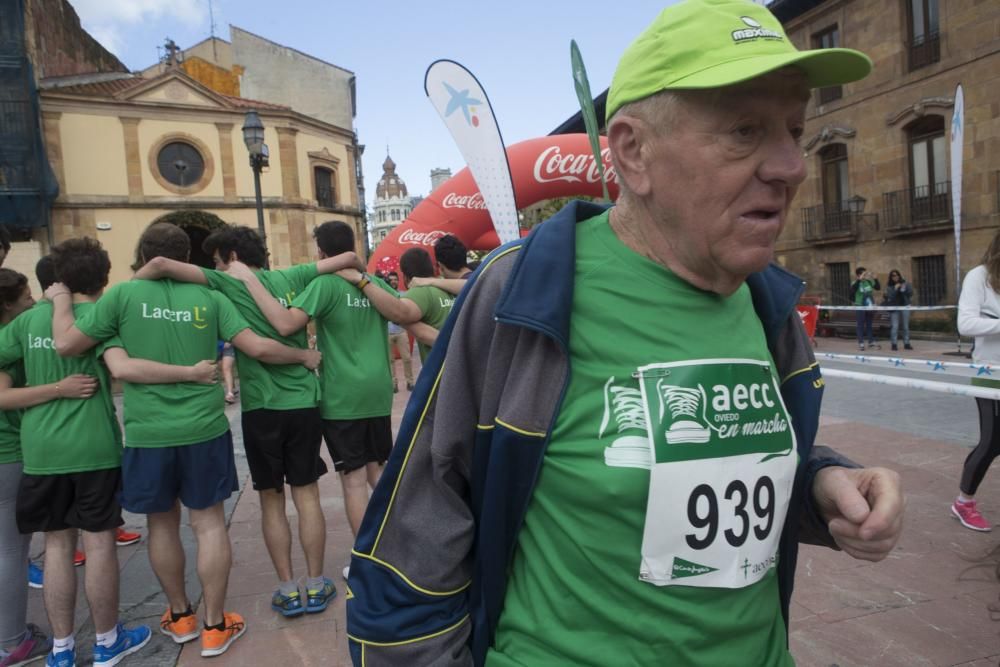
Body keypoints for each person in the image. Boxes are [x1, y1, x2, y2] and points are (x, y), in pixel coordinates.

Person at [345, 2, 904, 664]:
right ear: (634, 151)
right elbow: (409, 550)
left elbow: (699, 462)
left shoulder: (766, 299)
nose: (791, 166)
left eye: (793, 129)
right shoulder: (520, 292)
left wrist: (819, 482)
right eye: (746, 131)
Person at [48, 223, 321, 659]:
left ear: (141, 254)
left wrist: (61, 297)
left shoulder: (122, 296)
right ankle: (215, 625)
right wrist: (304, 357)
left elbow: (67, 345)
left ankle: (180, 617)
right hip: (204, 427)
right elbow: (254, 345)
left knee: (161, 524)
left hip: (147, 431)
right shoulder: (211, 297)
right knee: (208, 523)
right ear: (186, 256)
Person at [1, 241, 220, 666]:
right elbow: (123, 367)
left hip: (40, 451)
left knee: (57, 547)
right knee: (99, 544)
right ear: (104, 278)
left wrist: (39, 388)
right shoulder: (104, 318)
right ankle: (106, 640)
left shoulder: (27, 322)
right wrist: (193, 374)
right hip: (95, 447)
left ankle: (61, 652)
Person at [133, 223, 362, 617]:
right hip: (303, 403)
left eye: (219, 259)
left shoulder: (224, 282)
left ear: (231, 257)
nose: (217, 266)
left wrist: (134, 285)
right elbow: (351, 258)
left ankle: (288, 588)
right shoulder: (294, 275)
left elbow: (159, 264)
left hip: (261, 408)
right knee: (306, 495)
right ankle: (315, 582)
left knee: (271, 500)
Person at [226, 221, 406, 583]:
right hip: (378, 389)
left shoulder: (323, 284)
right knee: (379, 472)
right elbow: (404, 316)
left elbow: (285, 323)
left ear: (322, 253)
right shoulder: (374, 285)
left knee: (353, 480)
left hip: (343, 394)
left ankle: (367, 562)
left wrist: (249, 282)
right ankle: (399, 549)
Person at [0, 268, 50, 667]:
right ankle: (11, 641)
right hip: (6, 453)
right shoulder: (7, 343)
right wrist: (58, 389)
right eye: (25, 296)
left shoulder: (13, 339)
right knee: (11, 552)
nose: (31, 302)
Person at [954, 229, 1000, 532]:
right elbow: (965, 323)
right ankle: (964, 502)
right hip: (990, 372)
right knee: (993, 440)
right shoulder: (979, 277)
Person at [396, 247, 455, 361]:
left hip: (440, 369)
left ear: (405, 276)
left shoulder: (419, 292)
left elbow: (398, 312)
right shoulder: (447, 284)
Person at [384, 272, 414, 393]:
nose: (393, 281)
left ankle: (410, 382)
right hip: (387, 332)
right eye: (391, 280)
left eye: (395, 279)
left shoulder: (404, 294)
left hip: (401, 331)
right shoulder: (384, 294)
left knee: (407, 358)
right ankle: (393, 384)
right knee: (390, 360)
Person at [850, 266, 881, 351]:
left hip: (869, 306)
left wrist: (876, 279)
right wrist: (859, 279)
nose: (865, 275)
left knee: (869, 324)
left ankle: (871, 341)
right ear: (858, 275)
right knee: (860, 325)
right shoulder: (855, 283)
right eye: (864, 274)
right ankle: (861, 343)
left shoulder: (868, 282)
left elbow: (878, 288)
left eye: (866, 273)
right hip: (860, 306)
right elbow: (853, 290)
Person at [884, 269, 914, 352]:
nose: (895, 277)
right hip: (894, 307)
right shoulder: (889, 286)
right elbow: (890, 297)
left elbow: (910, 293)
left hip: (905, 306)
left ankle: (907, 343)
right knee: (895, 326)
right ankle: (894, 344)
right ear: (891, 277)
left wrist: (905, 287)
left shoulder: (905, 283)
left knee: (905, 326)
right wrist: (895, 288)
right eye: (893, 275)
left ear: (899, 275)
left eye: (897, 275)